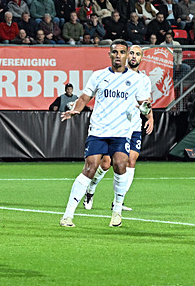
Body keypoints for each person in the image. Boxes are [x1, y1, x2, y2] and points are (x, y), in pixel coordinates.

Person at [59, 40, 151, 228]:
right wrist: (76, 110)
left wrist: (146, 111)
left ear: (127, 55)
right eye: (115, 52)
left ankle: (117, 211)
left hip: (121, 132)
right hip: (99, 130)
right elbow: (85, 96)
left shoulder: (138, 80)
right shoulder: (98, 76)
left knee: (120, 165)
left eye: (122, 52)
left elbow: (143, 103)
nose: (118, 55)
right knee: (90, 168)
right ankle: (68, 215)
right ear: (109, 55)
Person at [83, 45, 155, 213]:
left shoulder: (144, 79)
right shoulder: (116, 76)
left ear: (141, 58)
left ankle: (118, 202)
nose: (134, 57)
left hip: (134, 126)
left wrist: (150, 118)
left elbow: (145, 103)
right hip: (116, 127)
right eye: (131, 53)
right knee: (106, 163)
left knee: (131, 161)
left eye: (138, 54)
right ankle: (91, 188)